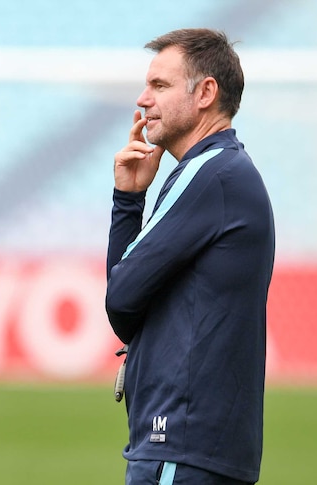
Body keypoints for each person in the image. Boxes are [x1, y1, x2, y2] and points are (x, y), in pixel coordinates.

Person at [105, 29, 275, 484]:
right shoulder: (224, 171)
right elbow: (126, 300)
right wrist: (131, 196)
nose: (143, 100)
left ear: (205, 93)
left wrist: (125, 206)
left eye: (159, 86)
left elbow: (120, 300)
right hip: (196, 446)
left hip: (181, 445)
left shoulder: (208, 173)